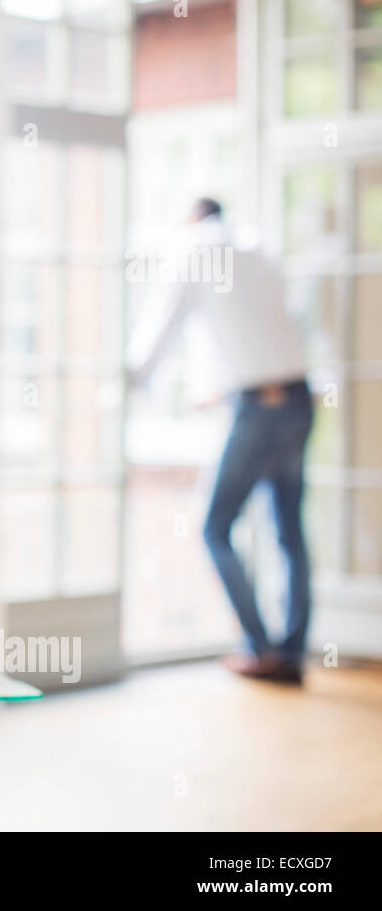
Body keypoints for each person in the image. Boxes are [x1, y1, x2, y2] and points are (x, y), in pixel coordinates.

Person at [125, 197, 313, 685]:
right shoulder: (258, 248)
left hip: (260, 406)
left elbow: (162, 324)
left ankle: (260, 646)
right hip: (296, 396)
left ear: (191, 218)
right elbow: (270, 330)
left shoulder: (195, 249)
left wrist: (131, 380)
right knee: (289, 532)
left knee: (214, 527)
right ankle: (290, 653)